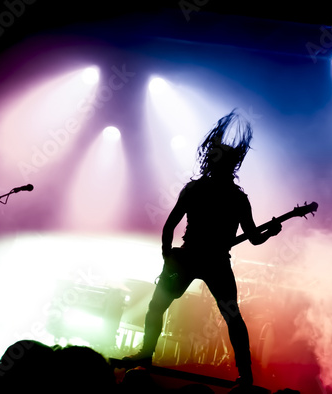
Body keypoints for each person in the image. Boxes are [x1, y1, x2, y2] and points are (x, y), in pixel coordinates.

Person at [113, 109, 282, 386]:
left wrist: (168, 256)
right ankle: (246, 375)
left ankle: (146, 354)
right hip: (211, 261)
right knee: (232, 317)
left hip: (191, 259)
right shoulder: (235, 198)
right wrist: (271, 233)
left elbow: (169, 226)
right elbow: (254, 238)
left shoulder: (197, 190)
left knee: (159, 308)